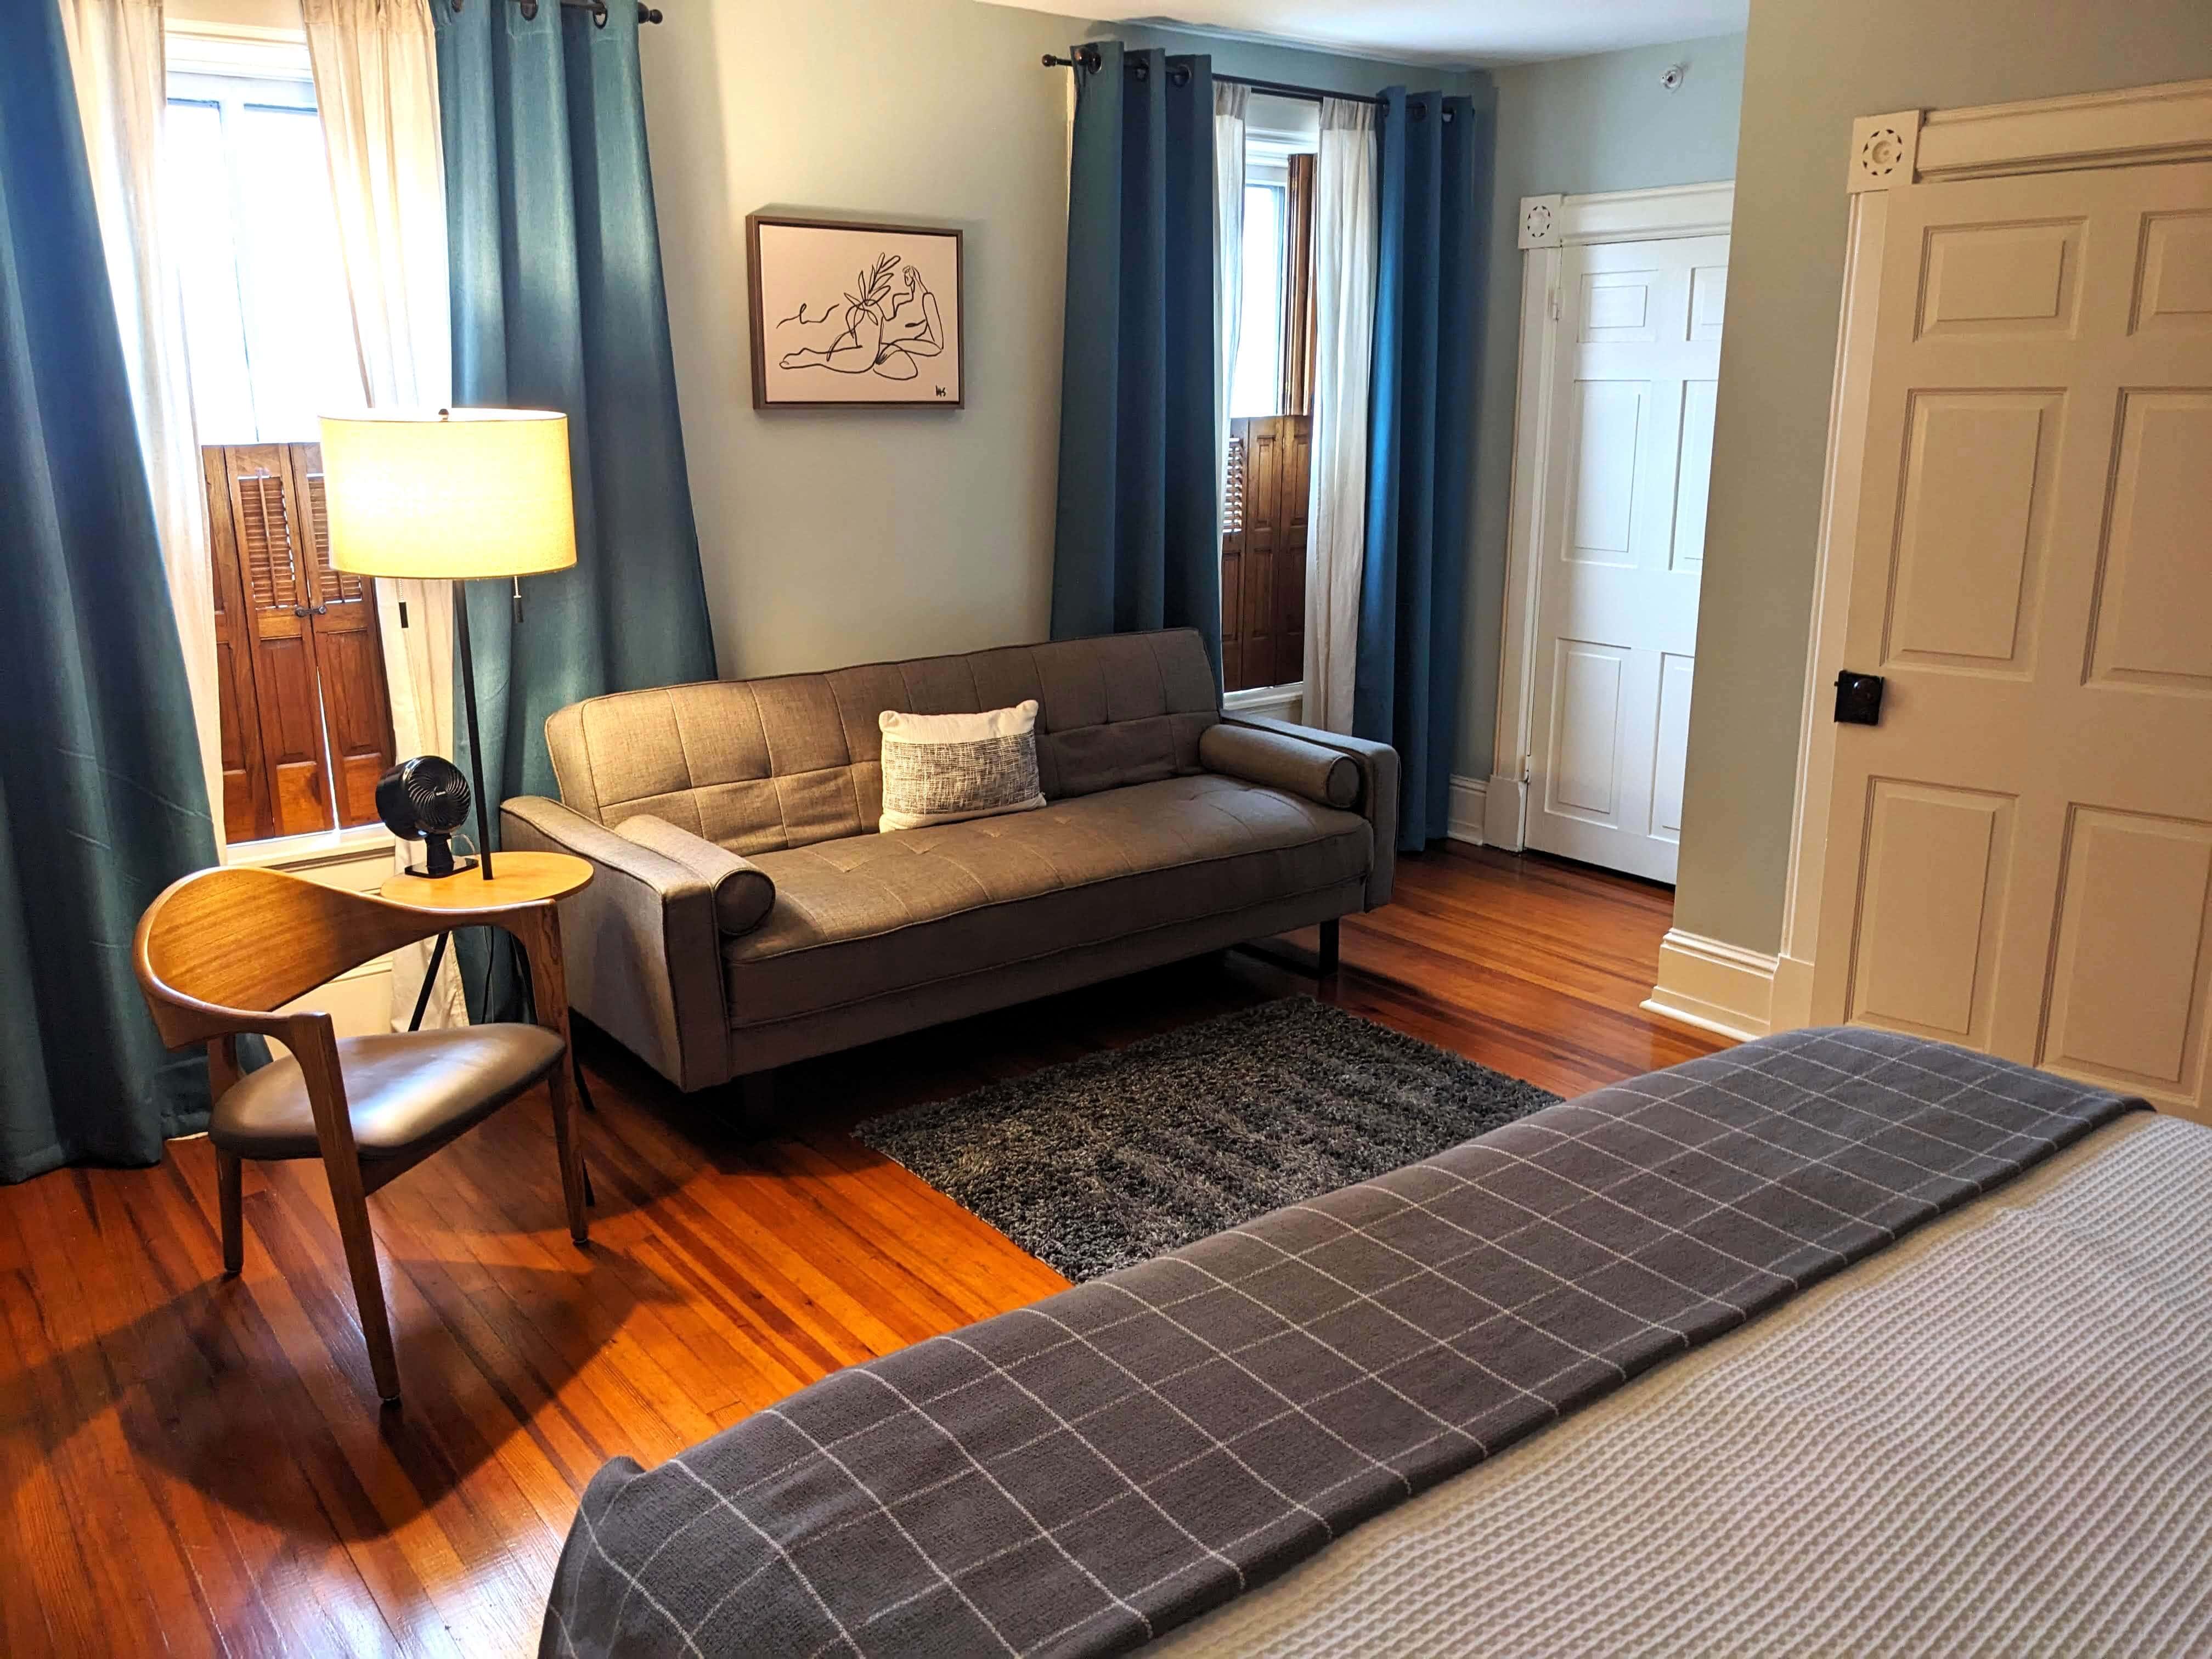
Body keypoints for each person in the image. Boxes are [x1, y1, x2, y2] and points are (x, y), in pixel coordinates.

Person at [778, 262, 943, 380]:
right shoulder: (899, 299)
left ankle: (813, 356)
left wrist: (899, 344)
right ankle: (811, 355)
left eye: (908, 276)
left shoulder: (927, 299)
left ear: (913, 276)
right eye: (905, 276)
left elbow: (937, 346)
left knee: (895, 367)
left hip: (886, 343)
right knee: (861, 355)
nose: (906, 280)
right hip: (878, 331)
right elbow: (891, 323)